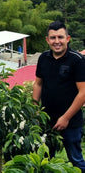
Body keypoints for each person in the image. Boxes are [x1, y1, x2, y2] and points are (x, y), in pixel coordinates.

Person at [33, 21, 85, 172]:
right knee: (46, 159)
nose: (57, 41)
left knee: (76, 160)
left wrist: (66, 118)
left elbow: (83, 92)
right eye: (53, 37)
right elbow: (38, 84)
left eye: (60, 37)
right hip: (46, 120)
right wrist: (35, 111)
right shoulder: (43, 58)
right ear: (47, 40)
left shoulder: (78, 60)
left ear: (67, 38)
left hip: (71, 122)